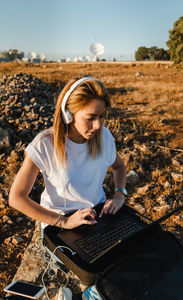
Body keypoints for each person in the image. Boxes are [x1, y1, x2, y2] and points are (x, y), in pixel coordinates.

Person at [9, 76, 127, 299]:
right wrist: (63, 221)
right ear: (67, 114)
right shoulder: (45, 144)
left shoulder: (105, 137)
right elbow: (16, 197)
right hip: (61, 227)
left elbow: (119, 167)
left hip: (98, 217)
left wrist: (120, 194)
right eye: (90, 117)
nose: (98, 125)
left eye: (102, 116)